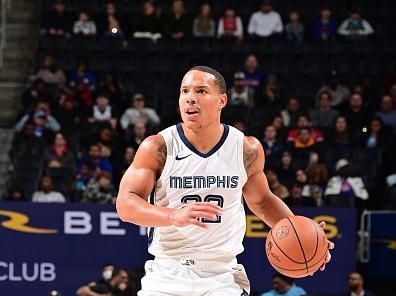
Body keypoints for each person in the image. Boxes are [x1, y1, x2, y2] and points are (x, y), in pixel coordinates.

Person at [116, 66, 333, 295]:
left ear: (222, 100)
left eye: (201, 91)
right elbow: (126, 204)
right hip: (167, 272)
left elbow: (262, 201)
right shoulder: (158, 146)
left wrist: (304, 233)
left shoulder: (245, 148)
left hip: (221, 276)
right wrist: (172, 215)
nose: (190, 98)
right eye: (185, 91)